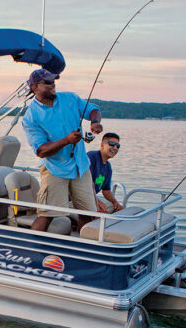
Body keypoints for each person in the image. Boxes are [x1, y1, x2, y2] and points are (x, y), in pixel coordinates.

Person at [21, 68, 103, 232]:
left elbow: (93, 109)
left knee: (87, 213)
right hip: (54, 168)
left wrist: (95, 121)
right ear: (35, 86)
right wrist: (66, 140)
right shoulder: (31, 117)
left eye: (54, 81)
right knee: (46, 215)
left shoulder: (70, 98)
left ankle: (81, 250)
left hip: (80, 166)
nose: (53, 85)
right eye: (48, 82)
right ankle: (31, 248)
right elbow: (41, 150)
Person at [88, 132, 124, 213]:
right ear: (102, 145)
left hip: (92, 197)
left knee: (119, 210)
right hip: (77, 197)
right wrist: (97, 201)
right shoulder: (91, 158)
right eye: (112, 144)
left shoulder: (108, 166)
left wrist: (115, 202)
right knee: (102, 213)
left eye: (118, 146)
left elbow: (106, 191)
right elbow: (83, 187)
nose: (115, 148)